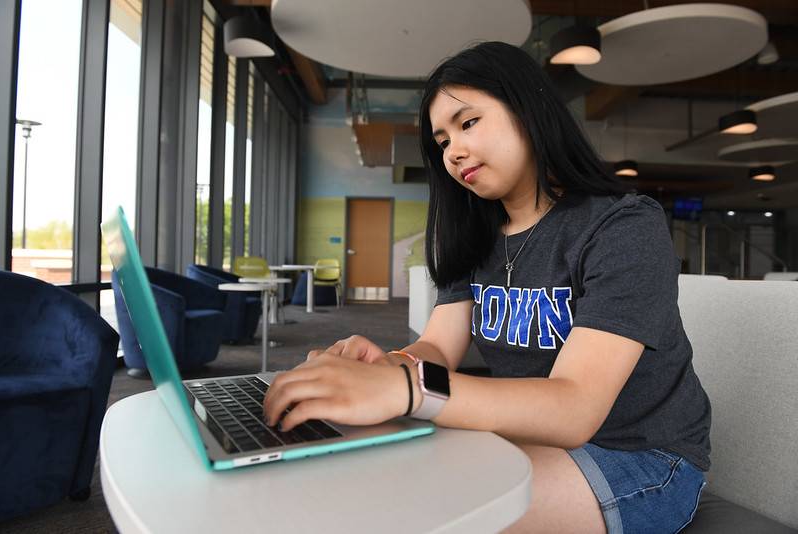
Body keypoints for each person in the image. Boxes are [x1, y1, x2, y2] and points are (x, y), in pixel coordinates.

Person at [264, 41, 711, 534]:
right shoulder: (475, 239)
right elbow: (437, 345)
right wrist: (388, 366)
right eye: (441, 141)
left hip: (640, 457)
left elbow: (575, 407)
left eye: (468, 123)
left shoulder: (622, 226)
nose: (453, 151)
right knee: (361, 468)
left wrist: (405, 388)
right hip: (524, 435)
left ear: (528, 108)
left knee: (418, 506)